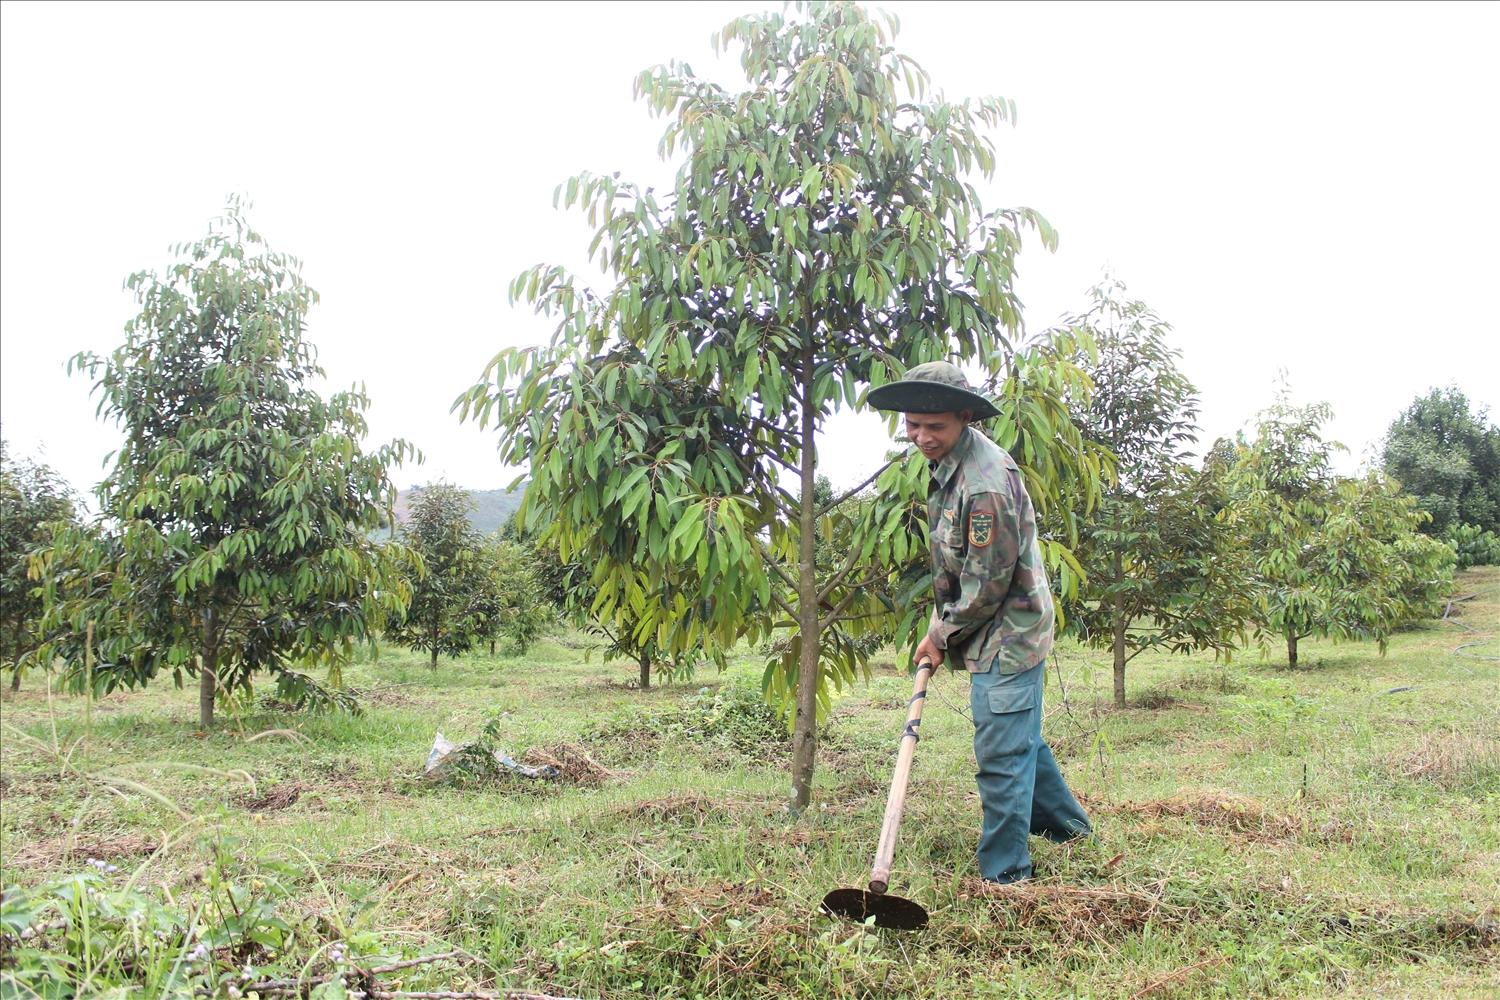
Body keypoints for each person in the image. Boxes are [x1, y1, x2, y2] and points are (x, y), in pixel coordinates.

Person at [868, 361, 1091, 884]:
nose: (922, 437)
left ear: (965, 417)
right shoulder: (949, 464)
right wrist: (938, 626)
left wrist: (942, 634)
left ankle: (1006, 876)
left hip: (1009, 634)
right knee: (1020, 738)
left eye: (935, 427)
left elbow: (988, 581)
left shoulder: (986, 483)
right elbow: (957, 564)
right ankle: (1070, 831)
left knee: (1002, 755)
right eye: (913, 425)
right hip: (985, 623)